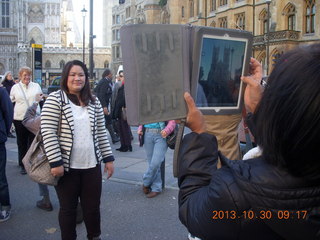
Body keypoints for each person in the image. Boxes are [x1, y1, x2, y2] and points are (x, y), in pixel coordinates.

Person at [178, 44, 320, 240]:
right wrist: (258, 111)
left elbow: (192, 209)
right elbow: (299, 141)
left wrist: (199, 135)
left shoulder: (235, 193)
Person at [41, 60, 115, 240]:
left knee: (92, 208)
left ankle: (94, 236)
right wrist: (56, 162)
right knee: (68, 209)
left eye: (81, 75)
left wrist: (108, 158)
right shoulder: (55, 99)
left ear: (86, 78)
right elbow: (47, 131)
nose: (77, 78)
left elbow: (100, 132)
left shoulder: (94, 100)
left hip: (91, 165)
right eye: (73, 75)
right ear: (66, 77)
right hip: (66, 168)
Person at [10, 67, 42, 174]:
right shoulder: (15, 87)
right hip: (19, 118)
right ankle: (23, 164)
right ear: (20, 76)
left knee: (33, 142)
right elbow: (11, 101)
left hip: (33, 118)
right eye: (25, 75)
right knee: (21, 142)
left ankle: (31, 162)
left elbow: (41, 100)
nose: (27, 77)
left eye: (28, 75)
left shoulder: (36, 86)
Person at [138, 120, 176, 198]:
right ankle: (156, 188)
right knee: (151, 163)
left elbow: (172, 120)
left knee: (155, 163)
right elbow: (142, 117)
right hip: (147, 134)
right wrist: (140, 128)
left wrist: (167, 130)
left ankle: (146, 182)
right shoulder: (146, 106)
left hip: (162, 134)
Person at [0, 86, 13, 222]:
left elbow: (8, 113)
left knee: (0, 176)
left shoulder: (1, 91)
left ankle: (5, 206)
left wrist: (3, 130)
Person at [95, 68, 119, 144]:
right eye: (111, 74)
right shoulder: (105, 82)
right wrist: (104, 107)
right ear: (108, 74)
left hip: (103, 104)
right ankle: (113, 137)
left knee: (107, 121)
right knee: (107, 121)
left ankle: (114, 137)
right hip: (103, 104)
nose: (112, 75)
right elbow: (101, 94)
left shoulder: (105, 81)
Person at [112, 71, 132, 152]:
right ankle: (125, 145)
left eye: (121, 76)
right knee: (122, 129)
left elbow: (122, 100)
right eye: (119, 76)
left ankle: (126, 145)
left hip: (123, 110)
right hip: (121, 110)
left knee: (124, 129)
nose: (120, 77)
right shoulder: (123, 86)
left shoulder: (125, 87)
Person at [1, 71, 16, 138]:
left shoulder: (14, 84)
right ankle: (9, 130)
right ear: (6, 76)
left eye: (11, 75)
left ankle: (9, 130)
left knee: (10, 115)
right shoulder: (3, 85)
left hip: (12, 102)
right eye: (9, 75)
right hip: (6, 101)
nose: (10, 76)